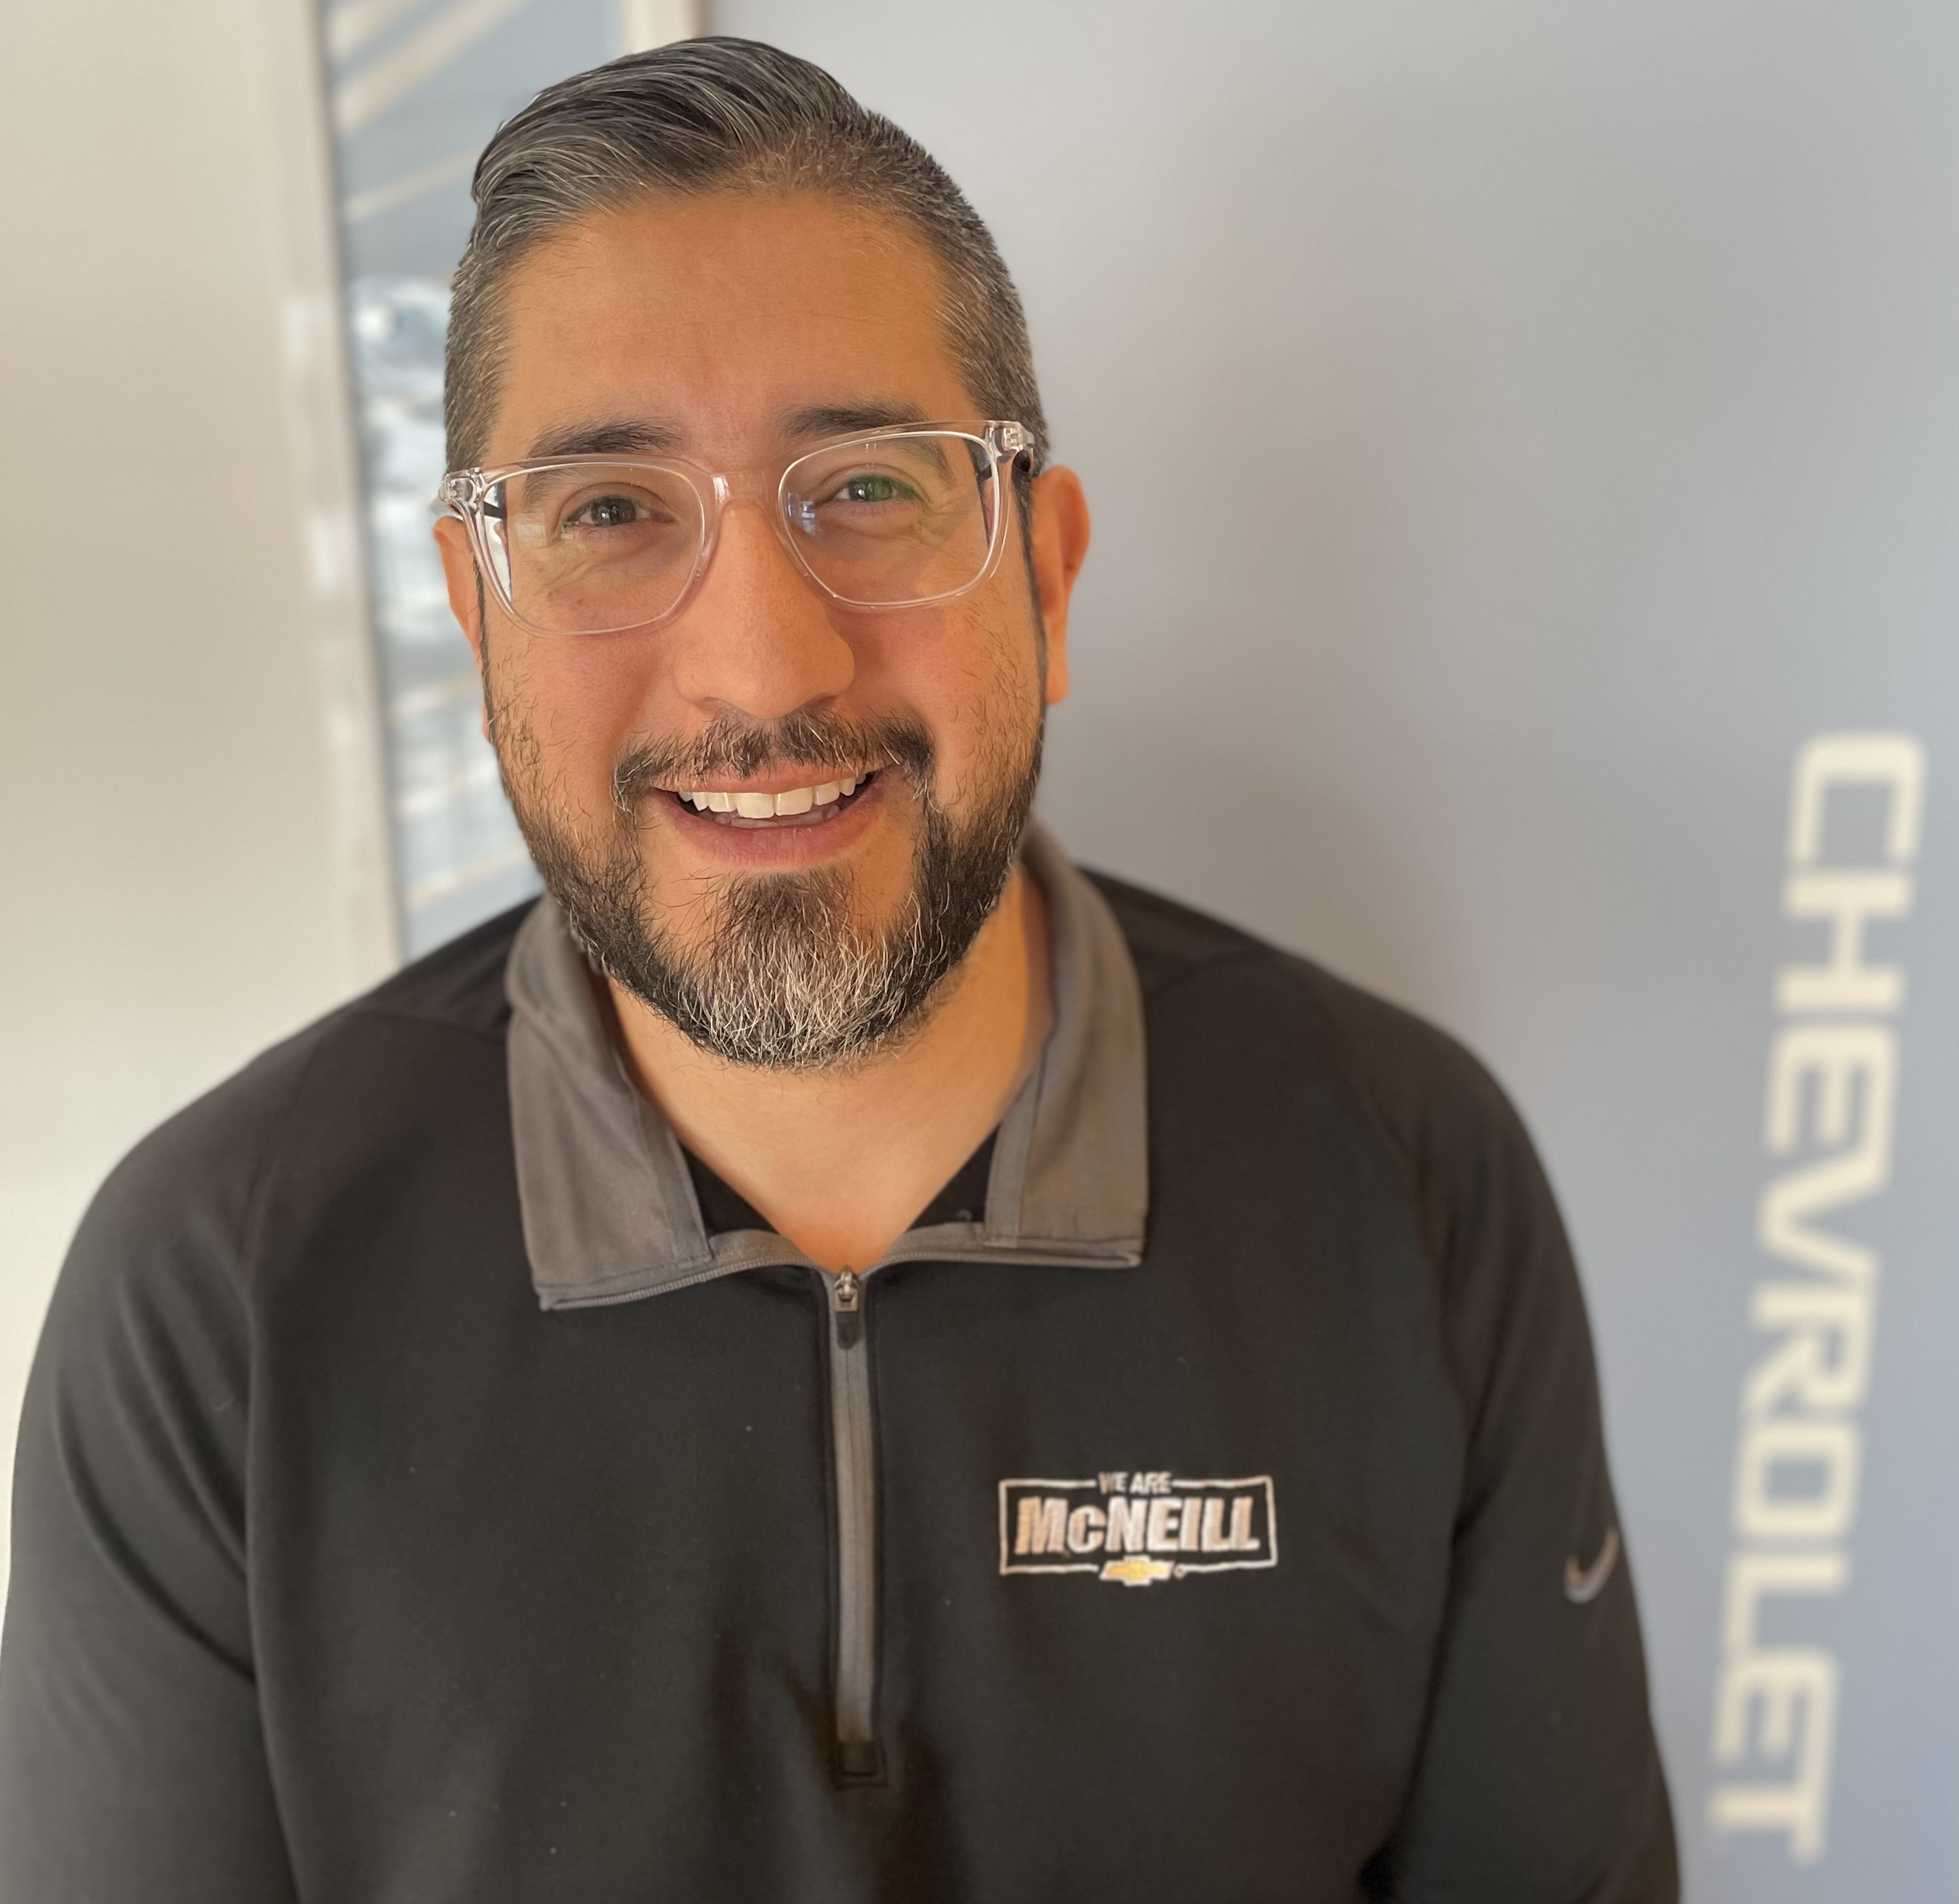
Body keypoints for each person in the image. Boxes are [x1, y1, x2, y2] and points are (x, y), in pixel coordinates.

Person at [0, 37, 1678, 1904]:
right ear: (478, 618)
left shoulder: (1409, 1178)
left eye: (868, 487)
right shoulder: (218, 1294)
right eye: (609, 510)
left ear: (1046, 579)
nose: (759, 668)